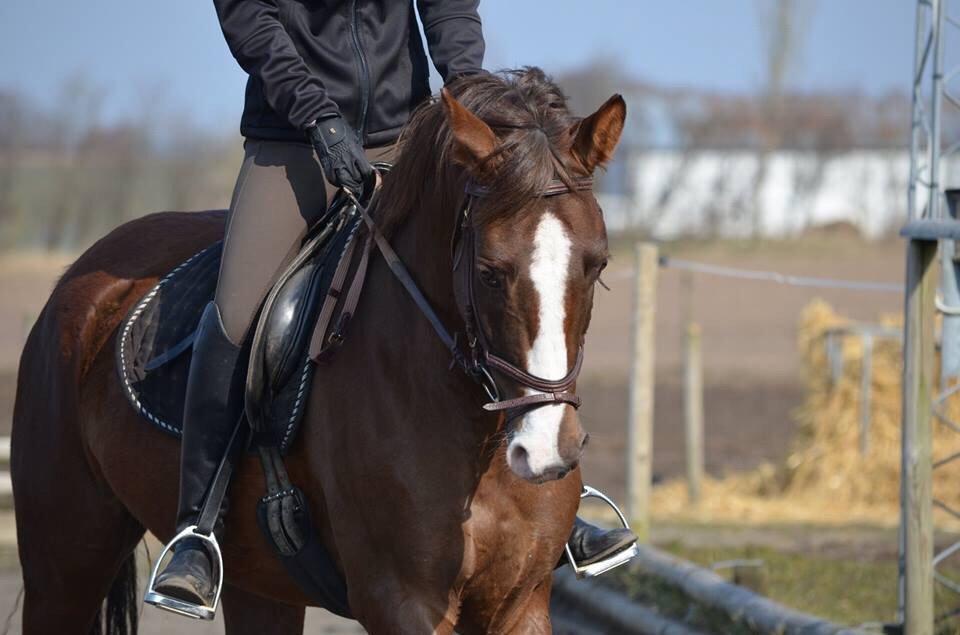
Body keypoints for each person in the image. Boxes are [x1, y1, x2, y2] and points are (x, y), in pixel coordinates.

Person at [148, 0, 636, 616]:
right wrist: (317, 117)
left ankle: (553, 493)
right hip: (295, 144)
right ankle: (200, 529)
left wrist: (467, 92)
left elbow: (448, 7)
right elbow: (249, 17)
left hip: (413, 134)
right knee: (238, 317)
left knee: (506, 277)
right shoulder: (297, 126)